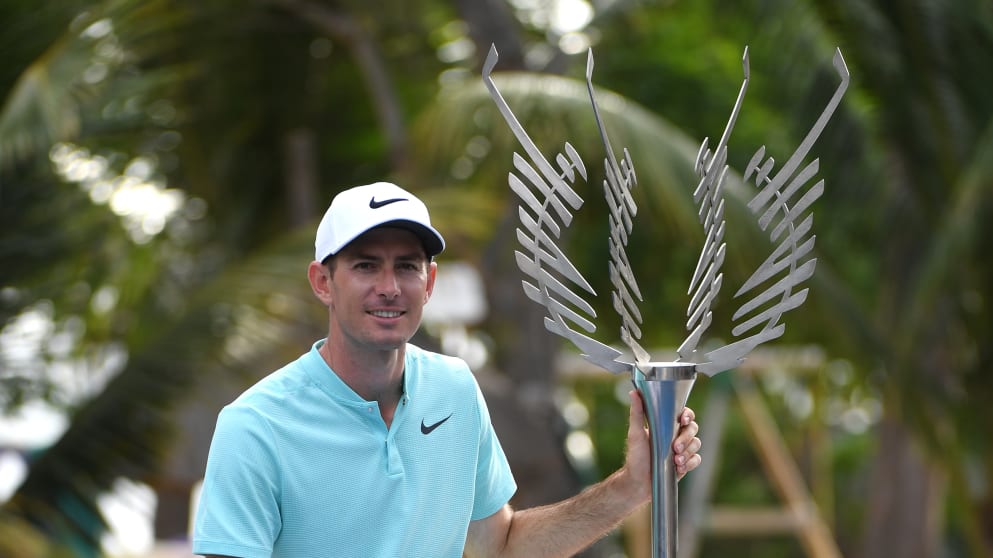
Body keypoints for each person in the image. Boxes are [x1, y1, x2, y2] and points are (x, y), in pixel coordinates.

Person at [192, 182, 702, 558]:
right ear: (323, 281)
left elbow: (498, 548)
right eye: (366, 265)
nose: (390, 287)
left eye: (407, 266)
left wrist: (633, 485)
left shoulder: (455, 388)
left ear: (429, 280)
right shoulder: (255, 426)